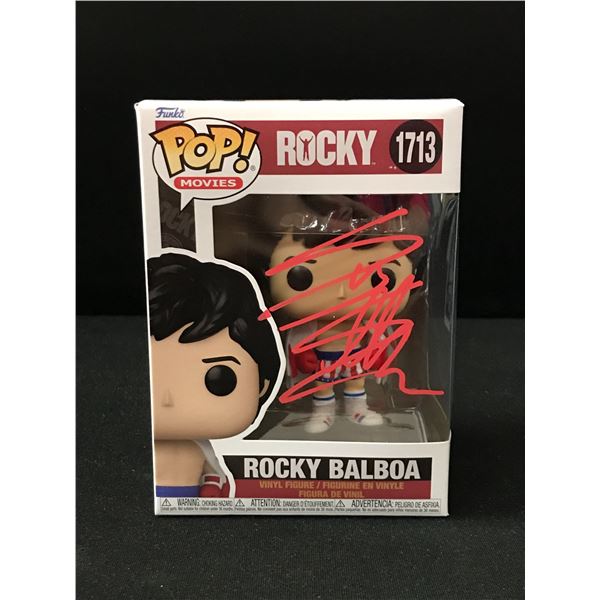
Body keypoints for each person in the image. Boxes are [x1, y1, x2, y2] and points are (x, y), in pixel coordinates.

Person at [148, 253, 280, 496]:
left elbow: (217, 475)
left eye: (219, 379)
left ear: (262, 384)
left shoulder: (202, 451)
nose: (167, 399)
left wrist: (212, 489)